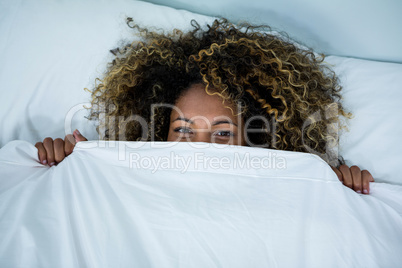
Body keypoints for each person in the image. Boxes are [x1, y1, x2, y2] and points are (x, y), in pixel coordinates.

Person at [35, 18, 374, 194]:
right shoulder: (123, 173)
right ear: (158, 134)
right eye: (182, 129)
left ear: (252, 139)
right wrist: (73, 164)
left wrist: (335, 188)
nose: (198, 149)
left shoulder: (291, 187)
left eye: (223, 134)